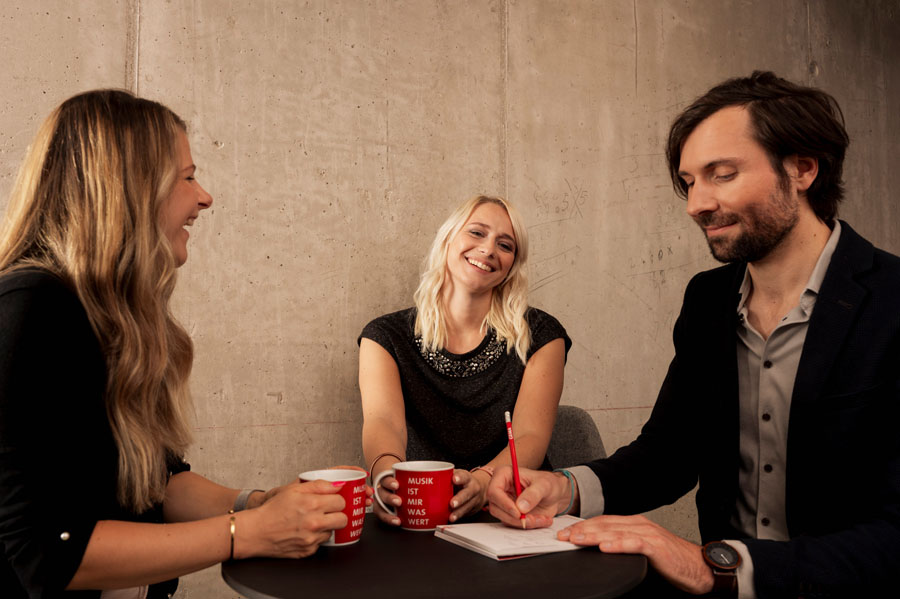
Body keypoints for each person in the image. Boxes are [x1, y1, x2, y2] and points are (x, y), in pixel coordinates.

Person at [487, 71, 900, 598]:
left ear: (802, 168)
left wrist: (718, 567)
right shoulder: (708, 299)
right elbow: (669, 454)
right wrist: (563, 488)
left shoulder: (891, 301)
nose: (695, 205)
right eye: (689, 183)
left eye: (721, 174)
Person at [0, 90, 360, 598]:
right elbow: (48, 553)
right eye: (187, 177)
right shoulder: (29, 309)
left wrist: (255, 504)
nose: (204, 197)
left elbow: (158, 485)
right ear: (129, 187)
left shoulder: (112, 316)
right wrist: (249, 533)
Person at [359, 195, 571, 526]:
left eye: (505, 245)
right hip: (420, 510)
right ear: (447, 239)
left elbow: (530, 436)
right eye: (476, 233)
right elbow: (382, 421)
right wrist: (386, 476)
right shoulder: (384, 336)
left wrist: (485, 482)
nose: (488, 250)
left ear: (512, 266)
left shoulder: (542, 335)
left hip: (512, 510)